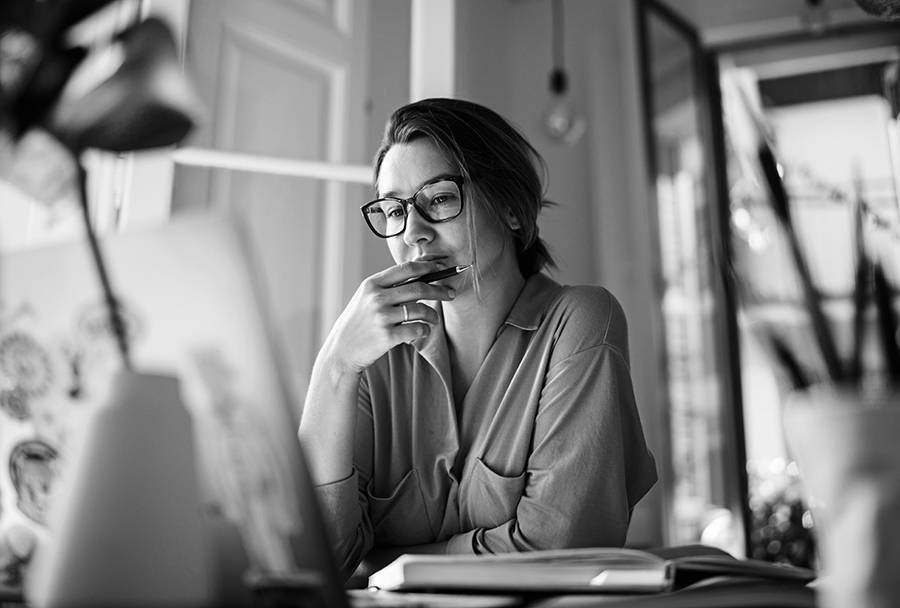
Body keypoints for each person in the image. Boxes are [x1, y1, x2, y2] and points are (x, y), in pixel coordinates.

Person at [298, 98, 657, 583]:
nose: (415, 235)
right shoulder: (373, 359)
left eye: (440, 198)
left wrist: (390, 562)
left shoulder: (580, 321)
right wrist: (335, 366)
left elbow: (559, 551)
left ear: (511, 207)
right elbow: (318, 562)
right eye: (394, 209)